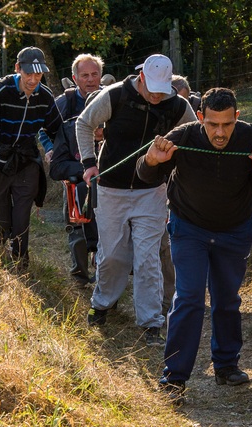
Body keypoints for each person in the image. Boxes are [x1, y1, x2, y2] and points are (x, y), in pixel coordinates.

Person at [135, 87, 252, 404]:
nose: (219, 132)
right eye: (212, 124)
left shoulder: (250, 135)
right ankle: (174, 378)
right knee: (189, 298)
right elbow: (147, 175)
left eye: (227, 124)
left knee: (227, 299)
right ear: (201, 117)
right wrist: (151, 159)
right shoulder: (183, 136)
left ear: (236, 118)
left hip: (234, 231)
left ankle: (226, 366)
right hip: (190, 229)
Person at [76, 54, 196, 347]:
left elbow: (194, 135)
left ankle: (151, 323)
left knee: (147, 258)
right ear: (141, 78)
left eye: (161, 90)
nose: (156, 96)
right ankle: (102, 303)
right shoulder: (115, 95)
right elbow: (83, 123)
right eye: (151, 89)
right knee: (114, 254)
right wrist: (89, 163)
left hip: (151, 191)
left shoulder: (178, 105)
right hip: (111, 188)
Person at [0, 46, 63, 268]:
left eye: (38, 74)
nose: (34, 79)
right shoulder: (1, 92)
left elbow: (56, 130)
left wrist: (63, 155)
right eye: (29, 74)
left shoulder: (45, 97)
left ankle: (20, 260)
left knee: (22, 212)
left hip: (26, 158)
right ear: (18, 69)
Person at [47, 54, 105, 285]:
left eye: (94, 74)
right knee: (77, 225)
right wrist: (51, 148)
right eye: (85, 75)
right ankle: (80, 273)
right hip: (76, 172)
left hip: (108, 181)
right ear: (75, 78)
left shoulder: (113, 98)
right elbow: (46, 129)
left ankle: (106, 277)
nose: (90, 79)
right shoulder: (64, 104)